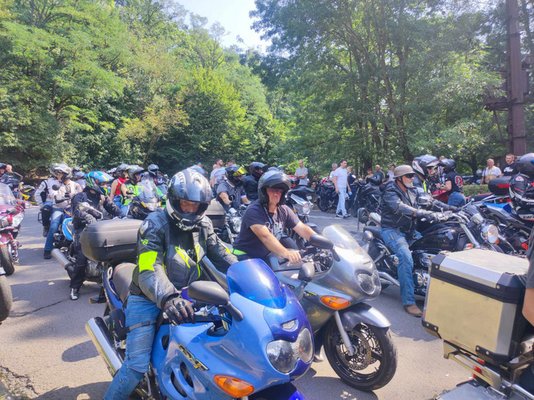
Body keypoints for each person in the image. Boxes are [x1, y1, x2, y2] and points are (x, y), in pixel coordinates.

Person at [104, 168, 236, 399]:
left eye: (196, 206)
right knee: (136, 366)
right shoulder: (154, 225)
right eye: (186, 204)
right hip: (148, 297)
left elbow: (221, 254)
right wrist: (168, 297)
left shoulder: (203, 225)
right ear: (174, 200)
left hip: (188, 295)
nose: (191, 210)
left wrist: (247, 274)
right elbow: (149, 268)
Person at [380, 165, 447, 317]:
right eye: (409, 176)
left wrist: (453, 208)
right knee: (406, 257)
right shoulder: (390, 191)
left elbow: (432, 202)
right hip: (392, 230)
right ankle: (409, 302)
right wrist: (422, 213)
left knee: (432, 250)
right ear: (399, 179)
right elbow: (399, 207)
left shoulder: (413, 190)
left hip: (410, 231)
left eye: (412, 175)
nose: (412, 178)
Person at [232, 169, 316, 263]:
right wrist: (286, 253)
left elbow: (302, 228)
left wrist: (320, 241)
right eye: (273, 190)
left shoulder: (284, 210)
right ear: (264, 192)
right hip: (244, 257)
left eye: (280, 191)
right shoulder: (254, 210)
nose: (277, 194)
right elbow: (266, 237)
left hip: (264, 255)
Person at [69, 171, 121, 301]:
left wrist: (125, 215)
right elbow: (77, 211)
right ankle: (75, 287)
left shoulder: (102, 197)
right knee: (82, 257)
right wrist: (87, 216)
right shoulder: (80, 196)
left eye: (105, 184)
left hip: (100, 228)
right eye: (102, 183)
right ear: (93, 183)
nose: (105, 186)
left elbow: (114, 209)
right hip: (83, 228)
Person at [43, 165, 82, 259]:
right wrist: (57, 196)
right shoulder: (55, 184)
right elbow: (53, 193)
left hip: (72, 208)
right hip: (58, 208)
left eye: (60, 174)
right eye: (58, 174)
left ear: (66, 175)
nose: (58, 175)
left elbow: (81, 194)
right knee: (54, 226)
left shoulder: (76, 185)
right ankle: (47, 249)